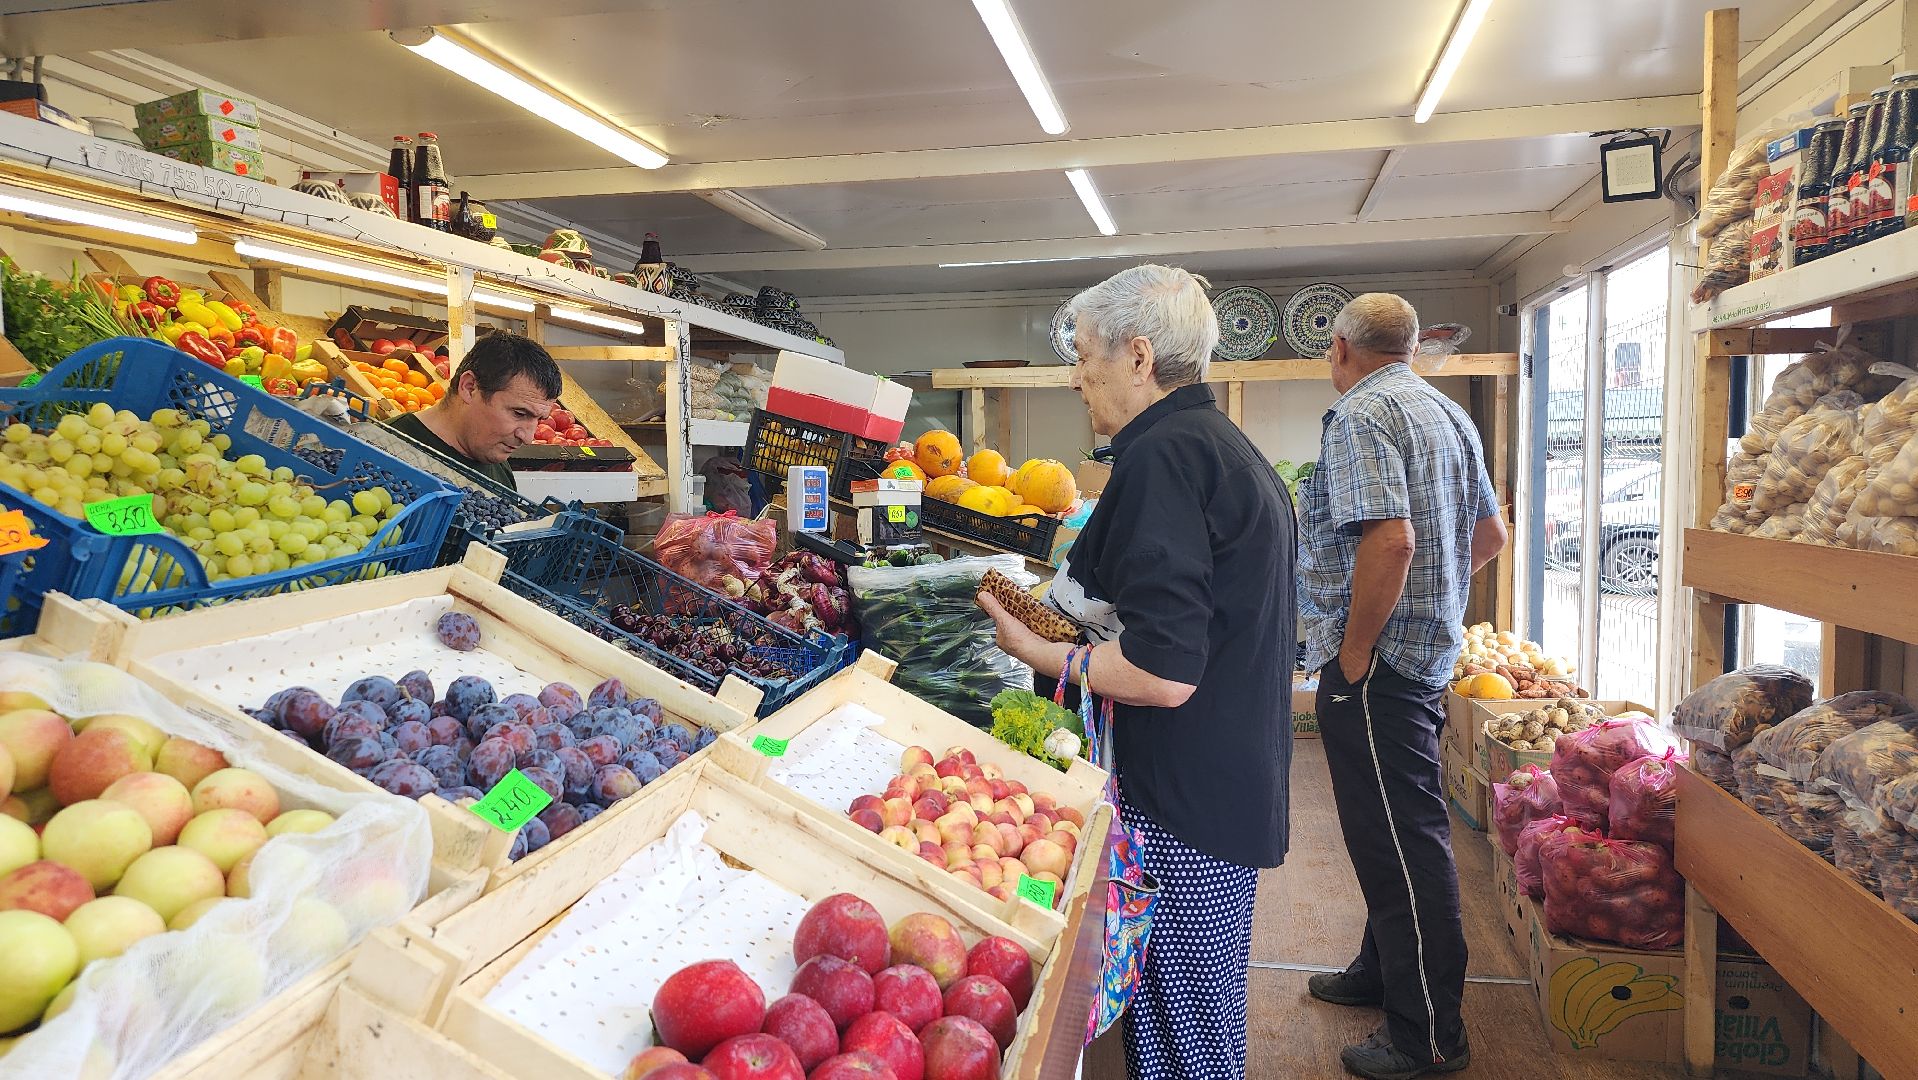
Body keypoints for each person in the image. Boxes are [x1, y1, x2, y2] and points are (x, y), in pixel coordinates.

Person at [976, 264, 1295, 1080]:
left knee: (1180, 1035)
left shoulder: (1165, 459)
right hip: (1226, 787)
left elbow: (1163, 670)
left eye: (1086, 355)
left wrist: (1043, 654)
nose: (1078, 375)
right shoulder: (1222, 448)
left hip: (1183, 802)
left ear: (1139, 356)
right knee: (1204, 1016)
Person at [1297, 293, 1508, 1080]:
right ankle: (1381, 970)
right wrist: (1439, 600)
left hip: (1378, 668)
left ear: (1341, 348)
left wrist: (1355, 653)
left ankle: (1428, 1035)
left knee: (1401, 841)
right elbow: (1488, 536)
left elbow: (1392, 540)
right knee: (1387, 829)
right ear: (1412, 348)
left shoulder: (1360, 416)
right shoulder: (1446, 413)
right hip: (1421, 657)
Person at [385, 332, 562, 491]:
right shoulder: (381, 447)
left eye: (539, 419)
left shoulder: (498, 466)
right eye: (519, 413)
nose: (528, 438)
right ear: (469, 388)